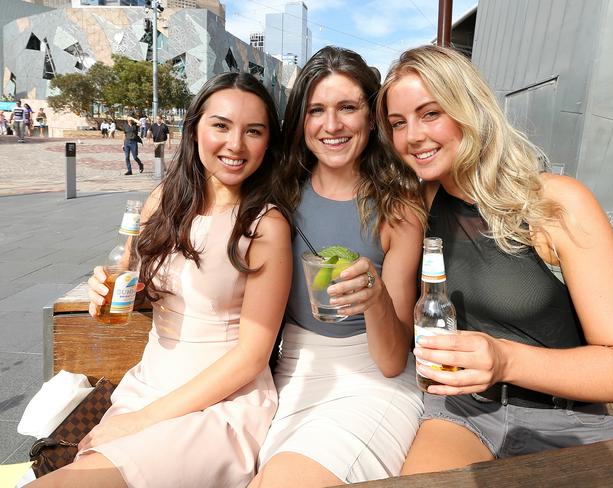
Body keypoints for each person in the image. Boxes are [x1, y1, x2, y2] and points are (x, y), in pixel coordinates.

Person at [376, 44, 613, 473]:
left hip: (563, 419)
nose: (412, 136)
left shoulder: (555, 203)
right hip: (461, 414)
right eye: (398, 123)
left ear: (469, 109)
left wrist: (504, 359)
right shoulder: (417, 206)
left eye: (431, 114)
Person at [28, 72, 292, 488]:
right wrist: (105, 292)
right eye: (220, 125)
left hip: (219, 406)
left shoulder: (264, 225)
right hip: (147, 387)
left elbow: (251, 357)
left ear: (268, 143)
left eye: (253, 131)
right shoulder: (162, 201)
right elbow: (136, 284)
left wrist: (140, 421)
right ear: (195, 128)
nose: (236, 145)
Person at [251, 46, 425, 487]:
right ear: (301, 121)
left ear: (371, 116)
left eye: (347, 107)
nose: (332, 125)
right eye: (316, 110)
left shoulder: (399, 208)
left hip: (371, 383)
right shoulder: (278, 192)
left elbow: (390, 361)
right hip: (289, 377)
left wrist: (376, 296)